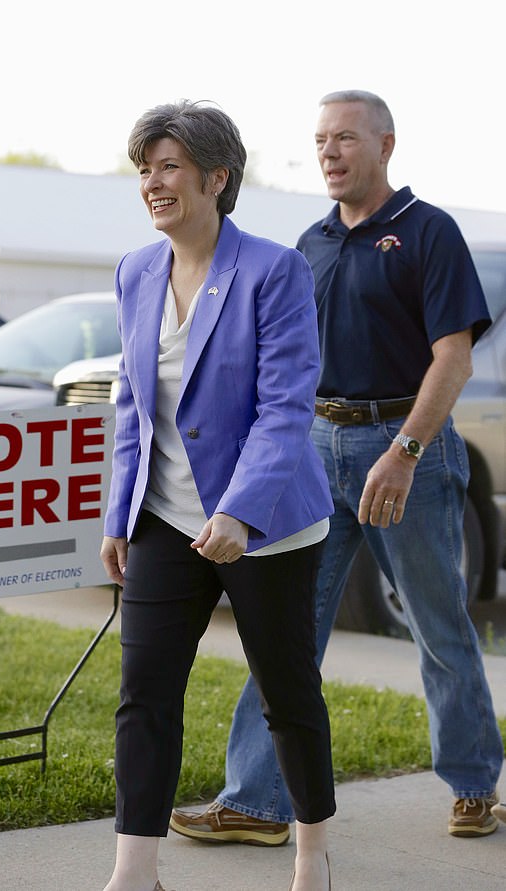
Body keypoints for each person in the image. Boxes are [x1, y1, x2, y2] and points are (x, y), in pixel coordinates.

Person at [170, 89, 504, 847]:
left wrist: (405, 452)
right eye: (321, 138)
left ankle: (475, 785)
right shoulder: (308, 243)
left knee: (438, 623)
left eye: (345, 137)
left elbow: (452, 357)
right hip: (314, 450)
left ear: (386, 144)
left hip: (404, 451)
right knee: (282, 627)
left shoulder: (428, 232)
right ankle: (255, 802)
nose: (328, 151)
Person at [100, 99, 336, 891]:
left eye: (168, 167)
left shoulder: (274, 270)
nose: (152, 183)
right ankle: (135, 873)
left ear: (216, 178)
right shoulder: (135, 270)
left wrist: (238, 509)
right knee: (145, 697)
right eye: (144, 169)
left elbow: (286, 405)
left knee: (287, 694)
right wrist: (119, 511)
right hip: (165, 520)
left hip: (265, 523)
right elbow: (132, 402)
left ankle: (313, 859)